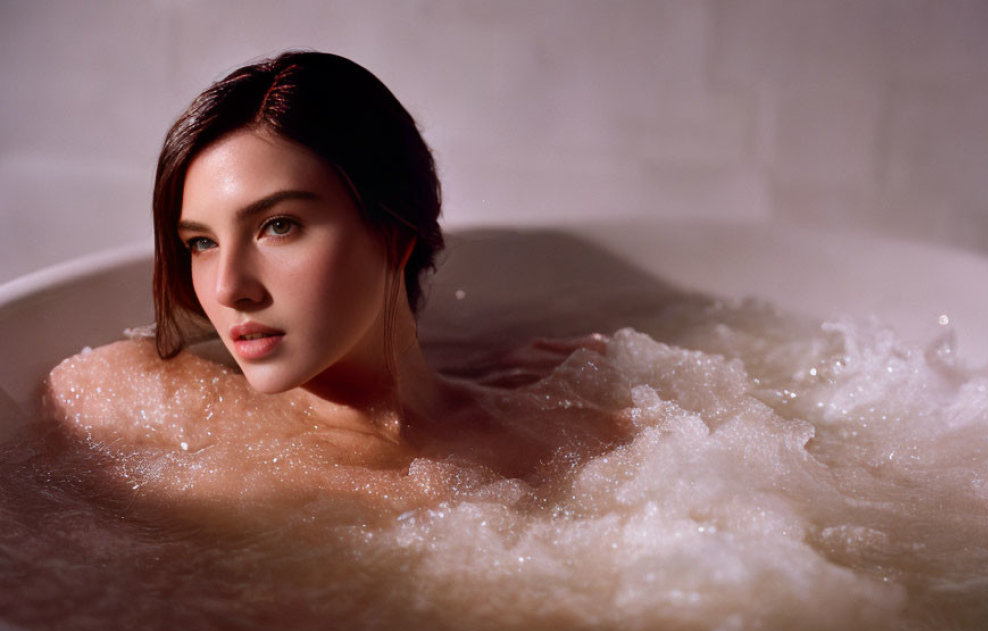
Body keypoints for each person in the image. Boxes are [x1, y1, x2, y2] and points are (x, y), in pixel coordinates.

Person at [44, 51, 621, 521]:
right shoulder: (131, 399)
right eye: (201, 242)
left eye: (277, 226)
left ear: (395, 234)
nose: (227, 289)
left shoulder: (561, 440)